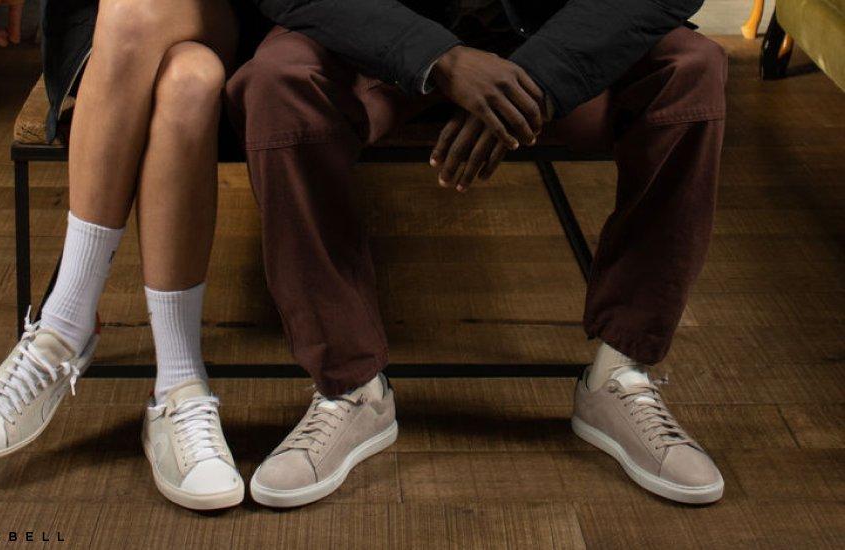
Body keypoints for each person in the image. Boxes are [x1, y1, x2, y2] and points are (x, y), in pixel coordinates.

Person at [227, 0, 728, 506]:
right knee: (279, 80)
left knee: (691, 68)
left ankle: (620, 371)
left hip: (557, 28)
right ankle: (350, 385)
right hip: (377, 30)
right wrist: (437, 57)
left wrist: (540, 75)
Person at [0, 0, 245, 510]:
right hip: (104, 25)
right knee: (188, 80)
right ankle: (179, 383)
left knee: (134, 11)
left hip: (236, 14)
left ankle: (63, 328)